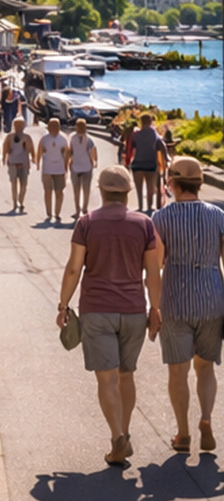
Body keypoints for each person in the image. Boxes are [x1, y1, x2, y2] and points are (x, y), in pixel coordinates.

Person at [57, 167, 164, 465]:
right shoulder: (144, 224)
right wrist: (155, 308)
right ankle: (124, 433)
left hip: (97, 310)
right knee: (126, 374)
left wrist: (63, 304)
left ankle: (118, 437)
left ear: (101, 191)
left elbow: (74, 268)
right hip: (132, 311)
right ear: (128, 192)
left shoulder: (87, 223)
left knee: (106, 379)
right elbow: (152, 273)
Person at [150, 156, 224, 455]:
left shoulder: (161, 218)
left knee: (177, 372)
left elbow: (154, 266)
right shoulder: (218, 216)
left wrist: (153, 308)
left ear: (172, 183)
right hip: (212, 298)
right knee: (205, 368)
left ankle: (183, 434)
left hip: (175, 299)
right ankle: (206, 419)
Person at [36, 117, 71, 225]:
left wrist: (66, 165)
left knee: (59, 192)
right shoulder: (45, 138)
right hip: (47, 169)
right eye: (51, 126)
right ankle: (49, 212)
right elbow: (40, 150)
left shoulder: (63, 138)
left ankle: (57, 212)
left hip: (59, 169)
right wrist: (38, 163)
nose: (53, 128)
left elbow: (67, 153)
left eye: (56, 126)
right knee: (47, 191)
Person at [130, 112, 166, 214]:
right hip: (151, 163)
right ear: (151, 121)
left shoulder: (136, 134)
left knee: (139, 187)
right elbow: (160, 144)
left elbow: (132, 148)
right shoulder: (154, 134)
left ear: (141, 122)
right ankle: (150, 207)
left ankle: (140, 206)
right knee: (150, 187)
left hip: (137, 164)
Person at [2, 118, 36, 215]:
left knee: (23, 184)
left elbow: (31, 149)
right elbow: (5, 148)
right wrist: (4, 159)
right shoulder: (9, 137)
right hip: (14, 163)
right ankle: (15, 202)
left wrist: (33, 158)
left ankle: (20, 201)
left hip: (23, 163)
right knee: (15, 184)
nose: (19, 127)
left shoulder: (27, 137)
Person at [67, 119, 99, 220]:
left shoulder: (72, 138)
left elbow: (70, 151)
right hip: (87, 166)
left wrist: (68, 162)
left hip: (75, 166)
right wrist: (95, 161)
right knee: (86, 189)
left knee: (76, 190)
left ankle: (77, 210)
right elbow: (93, 151)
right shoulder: (89, 139)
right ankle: (84, 209)